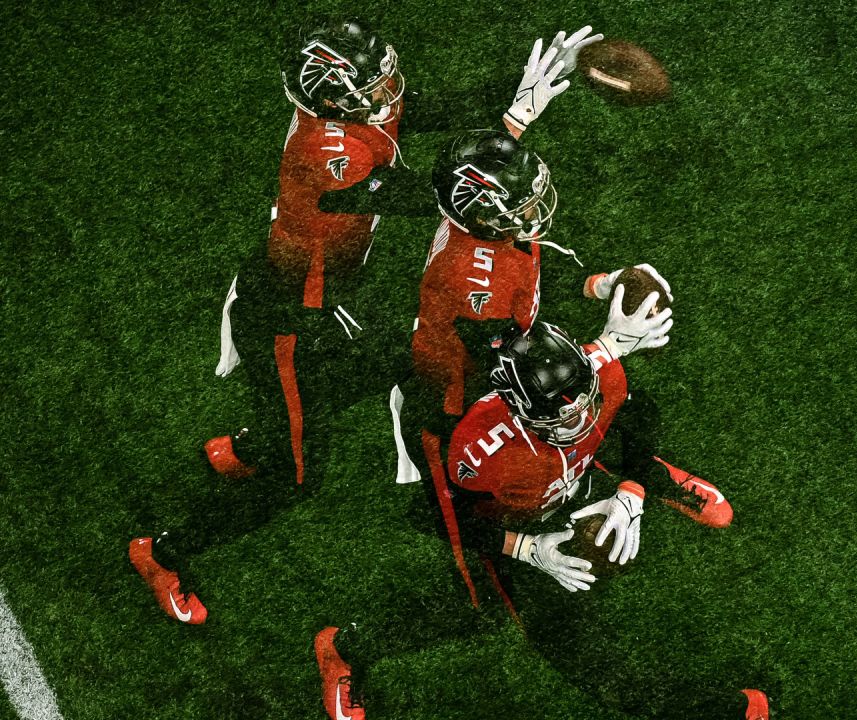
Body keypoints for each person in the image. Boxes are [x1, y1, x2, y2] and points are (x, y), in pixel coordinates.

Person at [128, 18, 600, 625]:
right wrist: (512, 125)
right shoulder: (334, 152)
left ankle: (251, 444)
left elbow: (428, 114)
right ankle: (162, 552)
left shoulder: (351, 118)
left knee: (394, 356)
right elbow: (427, 194)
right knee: (296, 478)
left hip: (318, 303)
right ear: (331, 93)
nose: (389, 93)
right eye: (372, 86)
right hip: (289, 321)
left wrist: (522, 89)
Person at [315, 321, 766, 720]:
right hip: (518, 520)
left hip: (565, 481)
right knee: (529, 633)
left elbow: (637, 410)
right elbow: (442, 520)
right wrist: (527, 548)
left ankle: (654, 478)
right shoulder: (479, 450)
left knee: (610, 443)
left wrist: (632, 494)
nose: (580, 418)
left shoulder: (597, 371)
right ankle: (345, 650)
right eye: (560, 414)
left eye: (583, 403)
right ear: (517, 408)